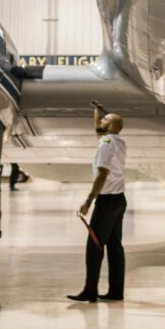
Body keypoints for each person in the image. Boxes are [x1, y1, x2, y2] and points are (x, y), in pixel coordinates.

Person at [68, 102, 127, 303]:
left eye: (104, 120)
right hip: (119, 200)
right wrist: (97, 113)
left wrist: (88, 201)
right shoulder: (118, 142)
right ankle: (116, 291)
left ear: (110, 127)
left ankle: (90, 291)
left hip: (107, 202)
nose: (101, 122)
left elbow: (102, 174)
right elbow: (99, 132)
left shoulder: (106, 145)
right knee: (115, 246)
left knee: (94, 246)